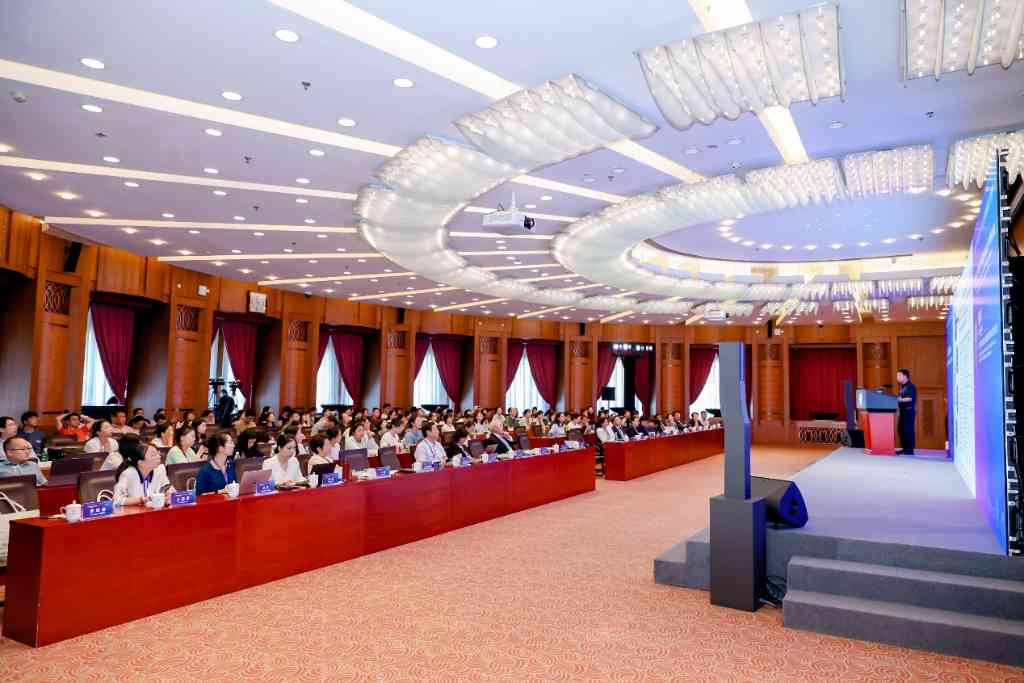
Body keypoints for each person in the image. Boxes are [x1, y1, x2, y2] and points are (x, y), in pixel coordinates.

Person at [113, 437, 171, 507]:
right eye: (153, 455)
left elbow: (167, 487)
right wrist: (140, 499)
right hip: (134, 511)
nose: (158, 456)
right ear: (140, 462)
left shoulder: (160, 470)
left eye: (157, 453)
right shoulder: (128, 474)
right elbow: (116, 500)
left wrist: (169, 493)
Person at [896, 368, 917, 455]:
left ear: (905, 376)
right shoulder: (903, 387)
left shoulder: (911, 386)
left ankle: (910, 449)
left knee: (908, 430)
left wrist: (900, 399)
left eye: (899, 375)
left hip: (908, 411)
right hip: (903, 411)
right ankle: (904, 448)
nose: (897, 377)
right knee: (901, 429)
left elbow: (910, 398)